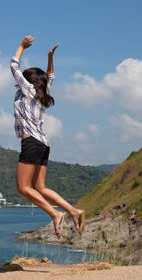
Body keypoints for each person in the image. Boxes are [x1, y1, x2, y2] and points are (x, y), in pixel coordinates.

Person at [10, 35, 85, 238]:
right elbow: (50, 75)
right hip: (44, 144)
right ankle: (74, 211)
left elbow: (13, 65)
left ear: (28, 81)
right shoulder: (43, 93)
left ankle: (55, 214)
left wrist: (21, 46)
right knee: (40, 187)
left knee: (23, 188)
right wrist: (50, 58)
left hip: (31, 142)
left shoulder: (28, 91)